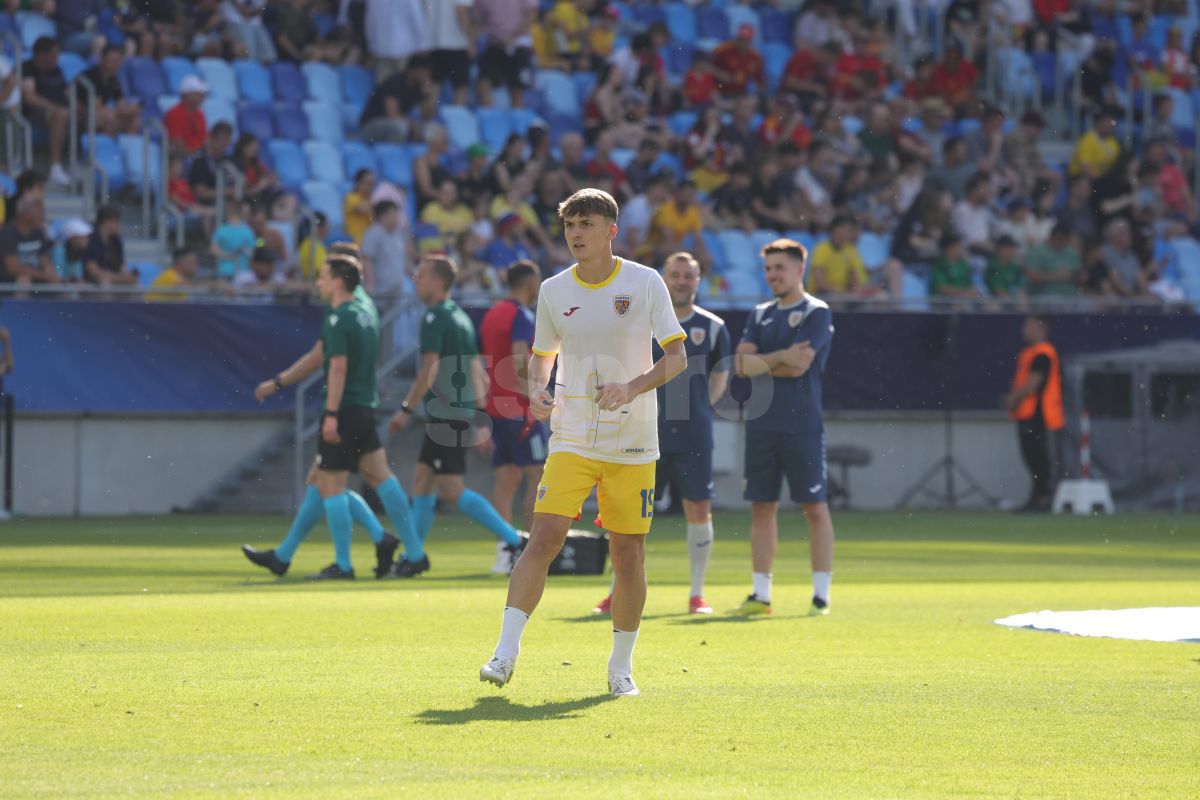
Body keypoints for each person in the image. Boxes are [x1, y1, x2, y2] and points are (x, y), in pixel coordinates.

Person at [479, 188, 688, 698]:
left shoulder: (644, 282)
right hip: (571, 436)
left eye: (586, 223)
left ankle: (621, 668)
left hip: (633, 443)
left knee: (627, 554)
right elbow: (542, 355)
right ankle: (505, 653)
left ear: (611, 230)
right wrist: (537, 390)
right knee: (543, 535)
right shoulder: (552, 290)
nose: (576, 233)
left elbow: (677, 357)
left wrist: (631, 387)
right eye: (570, 224)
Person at [243, 254, 422, 579]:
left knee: (331, 485)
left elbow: (335, 364)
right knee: (370, 476)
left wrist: (329, 414)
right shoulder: (366, 311)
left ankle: (343, 564)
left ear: (339, 280)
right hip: (364, 405)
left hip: (345, 408)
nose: (318, 282)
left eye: (323, 276)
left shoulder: (340, 317)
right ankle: (400, 547)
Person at [592, 252, 730, 617]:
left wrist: (698, 408)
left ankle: (697, 594)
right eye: (675, 274)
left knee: (699, 509)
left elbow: (720, 378)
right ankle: (615, 593)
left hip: (693, 436)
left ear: (698, 281)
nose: (682, 281)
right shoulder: (641, 323)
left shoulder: (713, 326)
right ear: (664, 279)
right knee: (626, 515)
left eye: (689, 275)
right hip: (641, 432)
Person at [387, 255, 527, 578]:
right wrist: (479, 416)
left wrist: (406, 409)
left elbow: (429, 368)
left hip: (447, 412)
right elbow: (477, 366)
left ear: (438, 282)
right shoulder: (460, 317)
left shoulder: (436, 317)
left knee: (450, 488)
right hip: (457, 411)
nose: (416, 280)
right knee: (423, 481)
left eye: (420, 275)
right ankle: (414, 555)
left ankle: (513, 539)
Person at [731, 238, 835, 617]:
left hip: (803, 425)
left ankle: (821, 595)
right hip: (762, 424)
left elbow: (799, 366)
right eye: (768, 269)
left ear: (799, 269)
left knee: (815, 507)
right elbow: (740, 365)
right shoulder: (759, 314)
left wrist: (764, 361)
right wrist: (778, 358)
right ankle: (761, 595)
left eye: (780, 268)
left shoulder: (815, 311)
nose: (773, 275)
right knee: (762, 506)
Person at [478, 260, 547, 567]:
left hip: (496, 407)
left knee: (505, 482)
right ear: (530, 283)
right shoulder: (520, 315)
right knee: (538, 475)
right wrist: (534, 392)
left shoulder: (493, 313)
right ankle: (531, 550)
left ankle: (503, 551)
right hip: (519, 409)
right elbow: (521, 357)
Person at [1002, 316, 1064, 513]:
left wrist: (1013, 398)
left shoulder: (1043, 353)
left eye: (1029, 325)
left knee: (1039, 457)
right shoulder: (1030, 353)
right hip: (1027, 413)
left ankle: (1044, 498)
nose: (1025, 329)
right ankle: (1037, 497)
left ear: (1042, 328)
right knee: (1031, 456)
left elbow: (1033, 384)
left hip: (1039, 414)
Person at [20, 37, 71, 186]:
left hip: (62, 110)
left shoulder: (56, 70)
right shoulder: (26, 68)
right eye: (54, 54)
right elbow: (30, 97)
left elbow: (66, 92)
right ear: (42, 54)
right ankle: (56, 167)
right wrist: (55, 108)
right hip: (35, 114)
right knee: (60, 115)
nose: (57, 57)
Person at [360, 199, 416, 298]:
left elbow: (404, 260)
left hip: (397, 290)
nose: (397, 218)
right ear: (382, 216)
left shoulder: (398, 234)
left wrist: (415, 278)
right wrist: (370, 285)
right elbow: (367, 259)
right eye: (393, 214)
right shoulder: (373, 233)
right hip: (379, 291)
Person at [0, 196, 59, 287]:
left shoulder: (39, 233)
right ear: (26, 213)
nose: (43, 215)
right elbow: (13, 268)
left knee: (54, 278)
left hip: (37, 276)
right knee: (24, 280)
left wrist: (49, 272)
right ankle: (19, 302)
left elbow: (45, 261)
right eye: (40, 211)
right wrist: (42, 275)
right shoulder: (8, 233)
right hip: (10, 282)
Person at [84, 205, 136, 286]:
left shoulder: (116, 241)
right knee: (105, 284)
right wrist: (117, 278)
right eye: (117, 222)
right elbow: (92, 271)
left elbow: (122, 267)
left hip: (113, 280)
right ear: (106, 222)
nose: (119, 225)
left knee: (133, 284)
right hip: (93, 283)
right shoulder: (92, 239)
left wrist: (127, 277)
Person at [163, 76, 209, 156]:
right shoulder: (174, 113)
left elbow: (204, 140)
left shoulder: (200, 114)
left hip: (198, 156)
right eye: (198, 94)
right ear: (187, 94)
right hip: (181, 158)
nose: (202, 97)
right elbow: (177, 144)